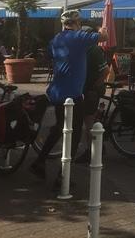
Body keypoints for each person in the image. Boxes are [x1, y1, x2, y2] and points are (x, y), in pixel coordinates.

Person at [29, 9, 107, 181]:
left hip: (57, 92)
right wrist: (101, 28)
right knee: (74, 134)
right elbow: (104, 38)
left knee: (59, 129)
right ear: (77, 23)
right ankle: (63, 177)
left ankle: (39, 162)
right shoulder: (79, 37)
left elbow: (51, 55)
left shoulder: (56, 39)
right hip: (73, 95)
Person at [74, 28, 109, 164]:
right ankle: (98, 146)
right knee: (88, 118)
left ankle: (91, 152)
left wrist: (94, 87)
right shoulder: (85, 49)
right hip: (85, 88)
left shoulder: (93, 50)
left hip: (92, 90)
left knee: (88, 121)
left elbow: (105, 71)